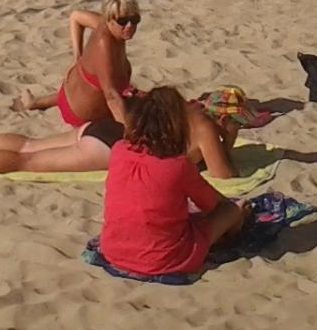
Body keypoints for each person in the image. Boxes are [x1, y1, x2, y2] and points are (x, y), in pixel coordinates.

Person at [0, 88, 248, 182]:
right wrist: (227, 142)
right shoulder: (206, 128)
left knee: (28, 144)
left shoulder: (186, 109)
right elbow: (223, 175)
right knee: (25, 162)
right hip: (111, 147)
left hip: (106, 129)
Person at [97, 86, 246, 279]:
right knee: (233, 210)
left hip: (114, 251)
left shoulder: (118, 150)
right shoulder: (178, 165)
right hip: (168, 259)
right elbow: (212, 204)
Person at [16, 0, 141, 125]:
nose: (129, 26)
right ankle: (36, 102)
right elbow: (111, 97)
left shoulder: (109, 27)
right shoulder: (104, 45)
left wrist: (77, 57)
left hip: (75, 94)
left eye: (134, 20)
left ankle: (35, 102)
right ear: (109, 20)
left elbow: (76, 17)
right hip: (82, 115)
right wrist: (127, 137)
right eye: (122, 21)